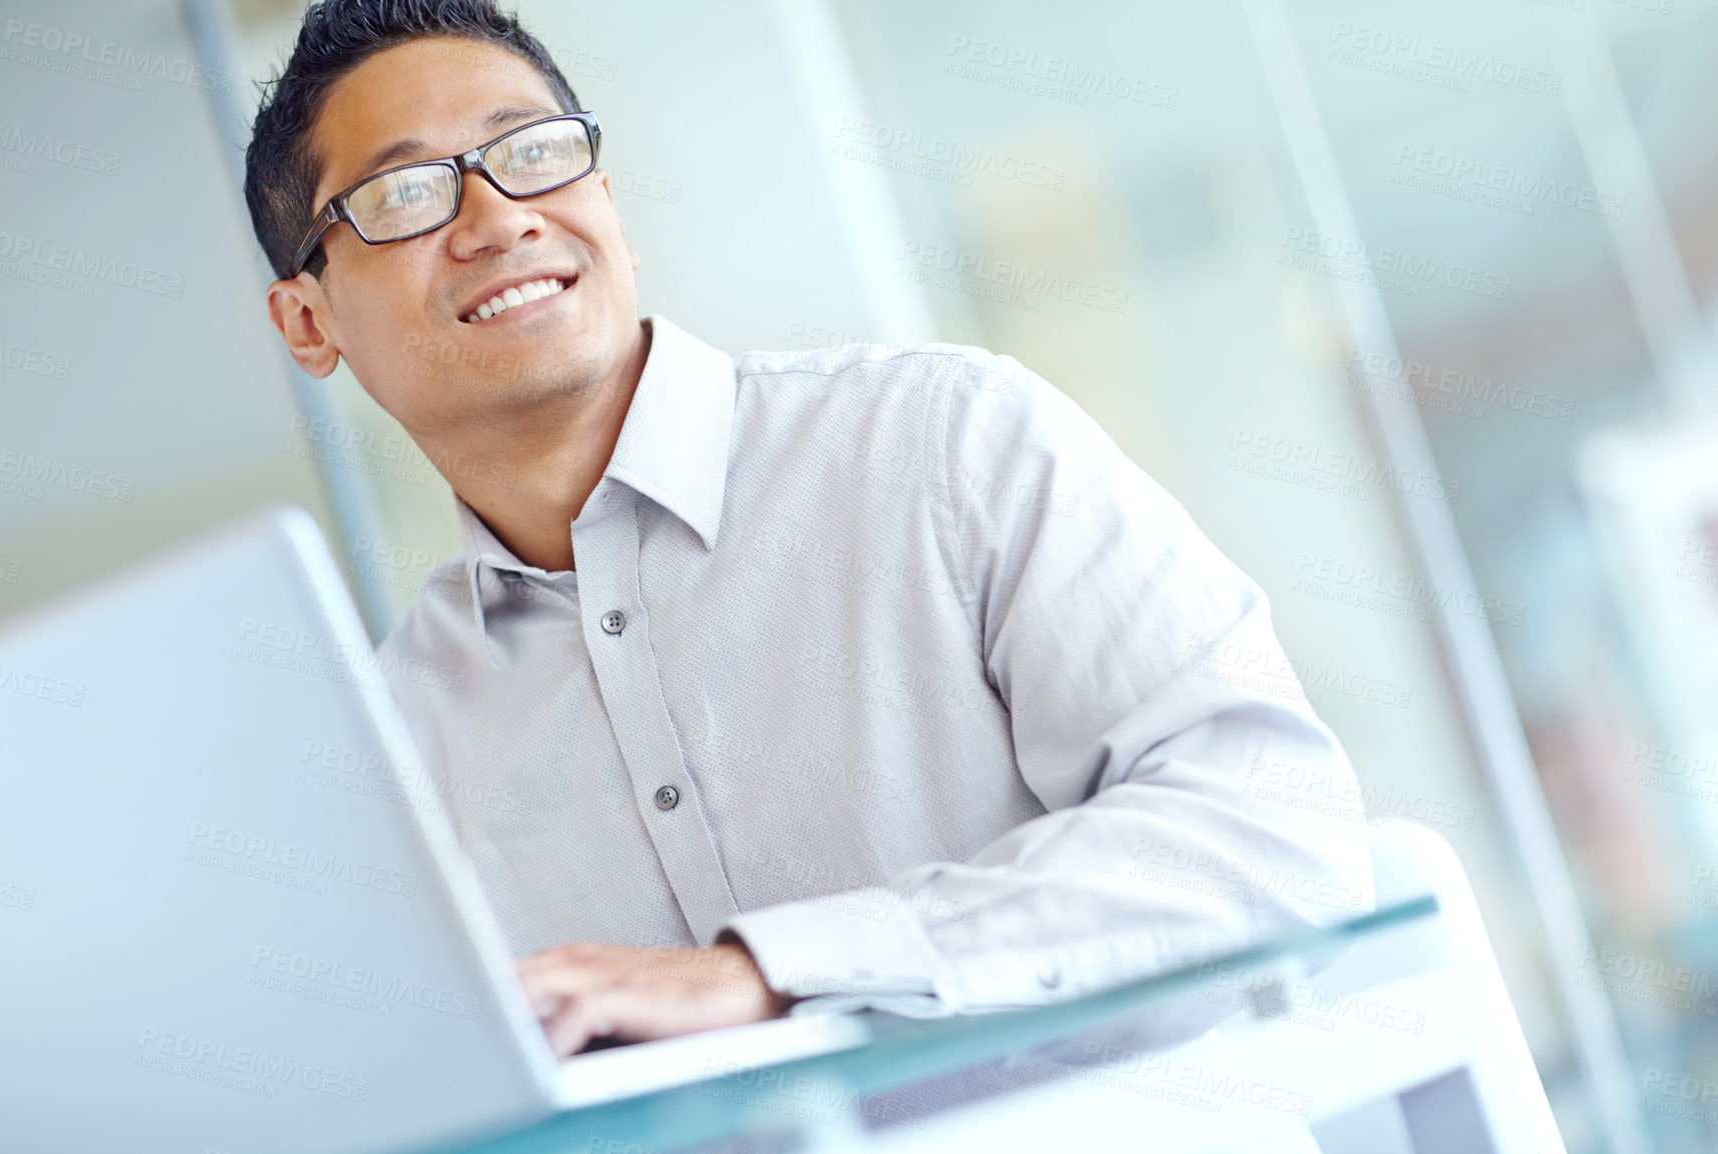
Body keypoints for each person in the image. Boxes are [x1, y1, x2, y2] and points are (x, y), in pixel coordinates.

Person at [250, 0, 1372, 1063]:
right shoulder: (393, 746)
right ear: (308, 321)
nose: (499, 218)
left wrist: (776, 973)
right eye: (404, 195)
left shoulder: (944, 443)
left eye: (534, 151)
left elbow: (1275, 825)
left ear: (610, 204)